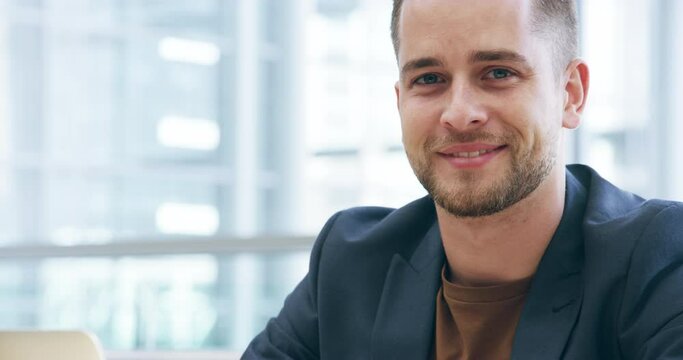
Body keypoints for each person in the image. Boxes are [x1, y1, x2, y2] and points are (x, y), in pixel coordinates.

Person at [243, 0, 683, 358]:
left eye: (498, 73)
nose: (458, 113)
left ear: (570, 93)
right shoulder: (351, 262)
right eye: (429, 79)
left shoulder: (659, 258)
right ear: (400, 102)